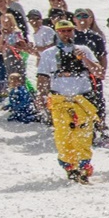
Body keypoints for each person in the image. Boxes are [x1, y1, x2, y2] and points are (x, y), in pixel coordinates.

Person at [35, 19, 103, 182]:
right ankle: (70, 166)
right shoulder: (48, 53)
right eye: (62, 31)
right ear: (57, 33)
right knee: (63, 136)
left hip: (82, 99)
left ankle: (83, 166)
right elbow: (43, 77)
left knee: (83, 136)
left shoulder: (84, 49)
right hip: (60, 100)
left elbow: (99, 72)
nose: (66, 34)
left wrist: (84, 59)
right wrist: (42, 96)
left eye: (69, 31)